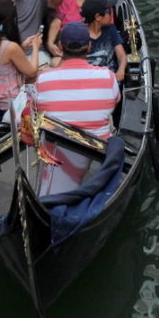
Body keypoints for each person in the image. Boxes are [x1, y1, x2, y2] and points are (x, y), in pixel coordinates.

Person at [34, 21, 120, 194]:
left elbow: (37, 110)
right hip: (98, 153)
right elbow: (114, 103)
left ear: (60, 46)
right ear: (89, 47)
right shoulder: (108, 77)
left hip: (59, 156)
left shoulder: (43, 80)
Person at [0, 0, 41, 113]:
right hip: (10, 104)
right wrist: (36, 47)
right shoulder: (11, 47)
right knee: (42, 74)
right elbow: (32, 72)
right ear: (13, 20)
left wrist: (22, 47)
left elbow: (3, 57)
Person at [81, 0, 127, 82]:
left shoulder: (111, 29)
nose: (111, 14)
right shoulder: (80, 34)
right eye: (109, 11)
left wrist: (121, 70)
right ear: (98, 17)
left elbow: (121, 55)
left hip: (112, 79)